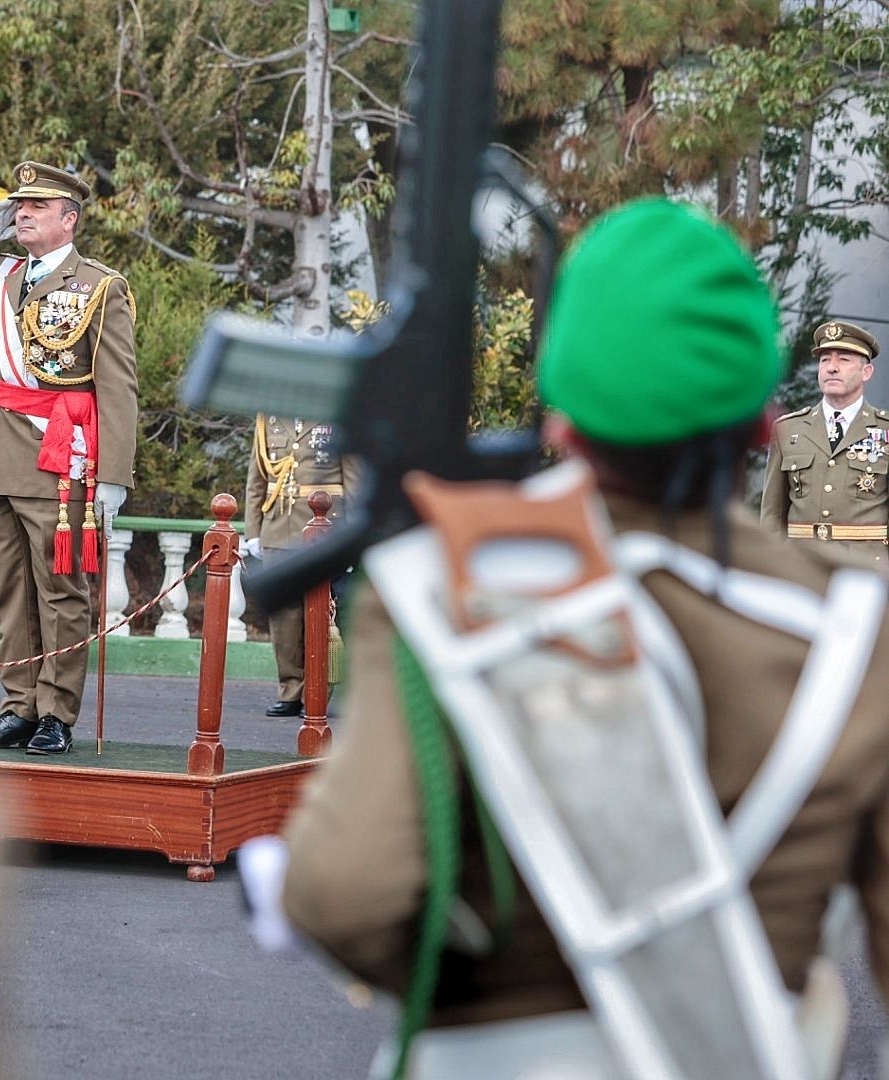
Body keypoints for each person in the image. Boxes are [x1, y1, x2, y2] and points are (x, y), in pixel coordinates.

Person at [281, 200, 889, 1072]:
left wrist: (473, 986)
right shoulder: (861, 628)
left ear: (561, 418)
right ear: (763, 426)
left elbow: (343, 897)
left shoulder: (448, 584)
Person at [0, 161, 138, 756]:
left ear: (70, 219)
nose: (24, 213)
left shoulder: (100, 287)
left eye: (38, 206)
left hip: (56, 455)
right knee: (8, 591)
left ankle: (57, 712)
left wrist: (113, 475)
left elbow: (117, 387)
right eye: (20, 206)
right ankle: (18, 706)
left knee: (61, 592)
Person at [241, 415, 357, 717]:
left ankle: (321, 692)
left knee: (328, 616)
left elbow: (354, 478)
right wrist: (253, 530)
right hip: (279, 526)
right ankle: (290, 690)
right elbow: (257, 480)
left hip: (327, 529)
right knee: (284, 619)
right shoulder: (269, 419)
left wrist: (355, 533)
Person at [761, 320, 888, 568]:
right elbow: (772, 515)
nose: (832, 368)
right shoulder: (787, 429)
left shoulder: (884, 430)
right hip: (802, 567)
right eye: (825, 360)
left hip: (866, 570)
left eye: (844, 359)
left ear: (866, 372)